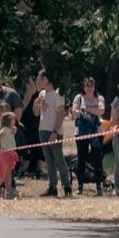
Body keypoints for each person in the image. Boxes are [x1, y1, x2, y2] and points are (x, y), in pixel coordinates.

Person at [31, 70, 72, 198]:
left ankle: (67, 187)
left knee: (59, 159)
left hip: (54, 131)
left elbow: (60, 114)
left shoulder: (58, 93)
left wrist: (55, 131)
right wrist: (35, 104)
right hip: (42, 130)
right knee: (49, 161)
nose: (38, 81)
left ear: (47, 79)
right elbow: (36, 113)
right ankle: (52, 187)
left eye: (40, 78)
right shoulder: (42, 93)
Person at [72, 77, 107, 194]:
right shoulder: (78, 97)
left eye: (91, 85)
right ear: (84, 87)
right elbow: (74, 112)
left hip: (96, 133)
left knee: (97, 159)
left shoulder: (99, 98)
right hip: (81, 133)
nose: (89, 87)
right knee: (81, 159)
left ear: (95, 87)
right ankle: (80, 186)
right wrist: (91, 110)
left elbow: (101, 110)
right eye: (87, 85)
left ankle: (99, 186)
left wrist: (86, 109)